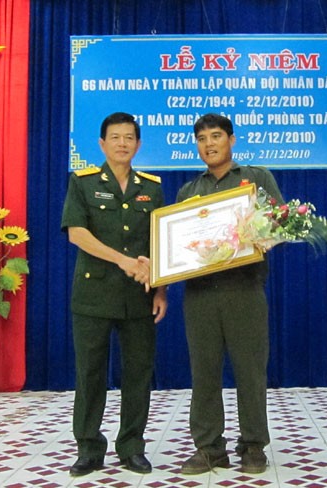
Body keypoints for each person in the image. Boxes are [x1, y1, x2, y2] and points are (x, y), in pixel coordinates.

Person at [176, 113, 284, 475]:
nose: (209, 144)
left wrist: (266, 237)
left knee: (250, 372)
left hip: (245, 290)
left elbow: (280, 223)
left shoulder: (257, 178)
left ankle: (253, 446)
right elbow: (177, 246)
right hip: (200, 295)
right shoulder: (189, 192)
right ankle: (209, 448)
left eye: (216, 136)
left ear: (232, 139)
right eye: (202, 138)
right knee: (203, 373)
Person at [61, 112, 167, 476]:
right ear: (102, 144)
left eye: (129, 138)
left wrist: (161, 290)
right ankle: (89, 448)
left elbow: (160, 243)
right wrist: (122, 260)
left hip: (139, 296)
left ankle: (132, 447)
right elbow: (77, 233)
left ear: (138, 144)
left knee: (138, 373)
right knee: (90, 374)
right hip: (93, 295)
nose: (122, 143)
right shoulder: (84, 182)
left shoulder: (151, 187)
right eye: (115, 137)